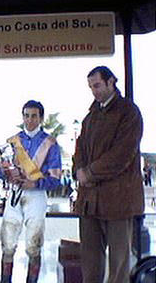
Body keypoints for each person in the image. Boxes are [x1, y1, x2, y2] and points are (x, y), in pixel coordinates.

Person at [74, 66, 144, 283]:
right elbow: (79, 150)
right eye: (91, 87)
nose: (94, 91)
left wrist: (90, 173)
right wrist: (79, 170)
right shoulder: (90, 117)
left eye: (97, 85)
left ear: (111, 81)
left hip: (119, 201)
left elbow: (123, 154)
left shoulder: (129, 112)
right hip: (90, 202)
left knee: (119, 265)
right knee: (90, 263)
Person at [0, 100, 62, 283]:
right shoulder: (13, 141)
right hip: (14, 194)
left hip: (36, 196)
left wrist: (35, 184)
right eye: (26, 115)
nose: (30, 120)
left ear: (41, 118)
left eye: (34, 116)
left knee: (34, 245)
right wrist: (6, 172)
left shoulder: (50, 143)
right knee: (7, 243)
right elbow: (1, 172)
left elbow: (55, 178)